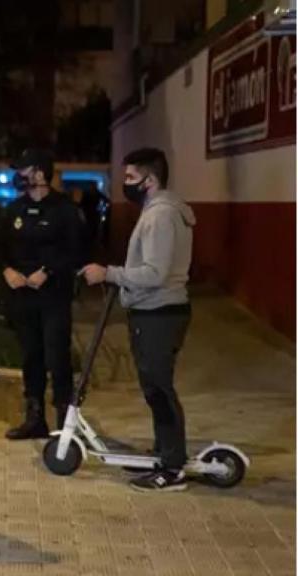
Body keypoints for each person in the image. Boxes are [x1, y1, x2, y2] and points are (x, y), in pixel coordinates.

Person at [82, 147, 195, 492]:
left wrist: (110, 274)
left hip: (159, 311)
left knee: (159, 388)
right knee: (154, 387)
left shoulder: (160, 216)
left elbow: (155, 272)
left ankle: (173, 467)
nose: (125, 184)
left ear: (150, 179)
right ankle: (165, 452)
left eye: (130, 178)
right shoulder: (157, 211)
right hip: (155, 310)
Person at [0, 148, 83, 440]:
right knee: (32, 356)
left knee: (58, 358)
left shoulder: (65, 210)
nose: (19, 175)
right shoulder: (14, 210)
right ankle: (34, 419)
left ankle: (65, 425)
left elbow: (77, 251)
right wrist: (6, 270)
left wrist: (50, 271)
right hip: (23, 299)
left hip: (53, 297)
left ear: (40, 173)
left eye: (24, 170)